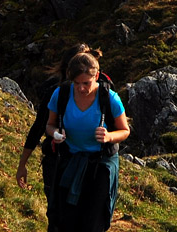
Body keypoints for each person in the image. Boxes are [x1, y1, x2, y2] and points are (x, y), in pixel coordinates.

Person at [45, 51, 130, 232]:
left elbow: (125, 130)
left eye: (86, 83)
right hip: (71, 160)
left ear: (96, 76)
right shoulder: (61, 95)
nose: (81, 88)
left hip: (101, 164)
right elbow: (49, 126)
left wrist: (109, 136)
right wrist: (56, 133)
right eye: (76, 83)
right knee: (65, 220)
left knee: (92, 222)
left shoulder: (110, 98)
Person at [17, 43, 97, 232]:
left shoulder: (59, 91)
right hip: (80, 163)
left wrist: (23, 164)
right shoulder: (59, 94)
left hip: (60, 162)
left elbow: (38, 128)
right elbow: (41, 127)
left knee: (59, 217)